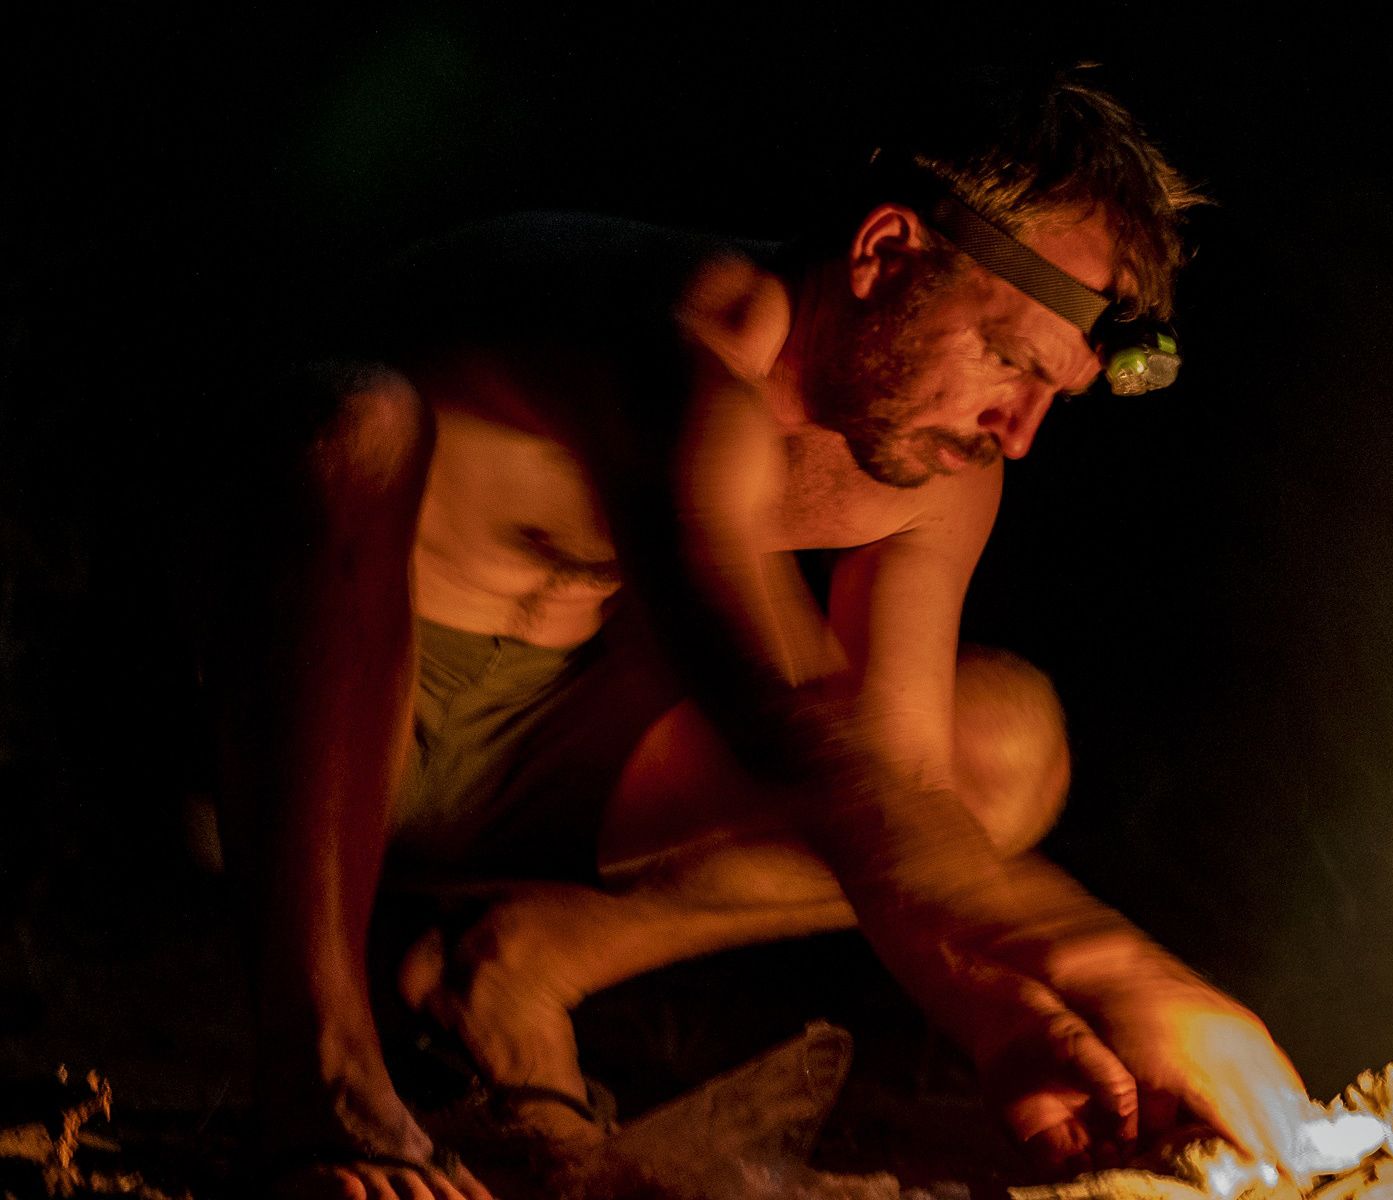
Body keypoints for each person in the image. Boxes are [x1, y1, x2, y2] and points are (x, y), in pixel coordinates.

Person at [223, 77, 1310, 1200]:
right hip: (268, 726)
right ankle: (321, 1069)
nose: (1020, 434)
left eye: (1057, 395)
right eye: (1009, 360)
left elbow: (904, 798)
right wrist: (1126, 969)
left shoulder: (943, 473)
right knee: (347, 424)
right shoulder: (681, 343)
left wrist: (1004, 1016)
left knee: (1002, 746)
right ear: (885, 252)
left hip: (536, 755)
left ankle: (510, 965)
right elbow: (789, 730)